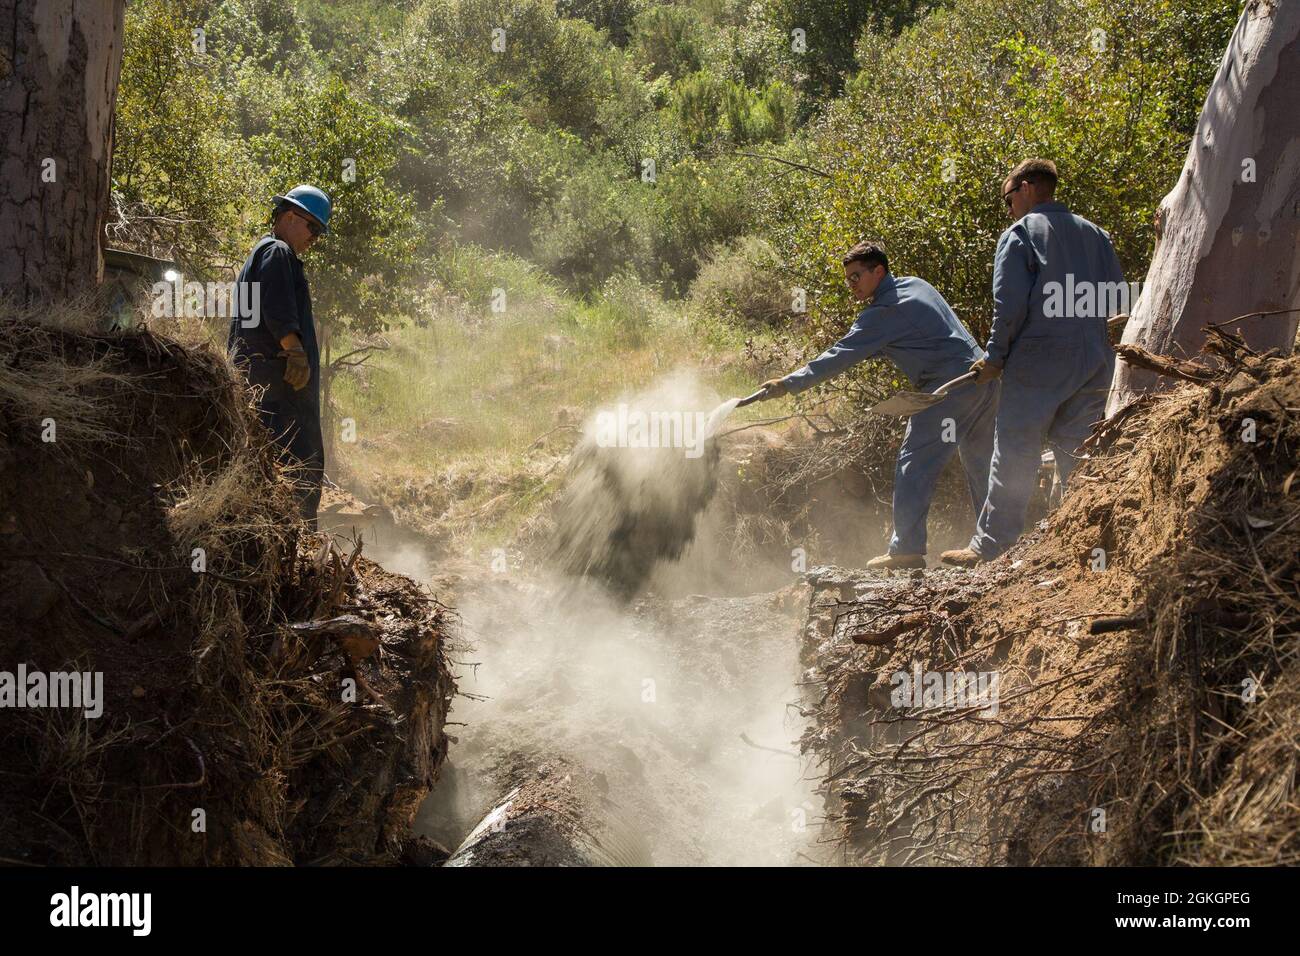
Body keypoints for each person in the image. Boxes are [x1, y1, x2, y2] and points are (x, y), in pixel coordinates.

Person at [758, 241, 998, 569]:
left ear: (879, 271)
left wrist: (787, 384)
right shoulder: (916, 284)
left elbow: (838, 356)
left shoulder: (883, 314)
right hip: (981, 377)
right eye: (848, 279)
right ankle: (994, 544)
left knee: (915, 463)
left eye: (856, 276)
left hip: (946, 388)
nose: (851, 285)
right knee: (982, 462)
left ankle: (907, 550)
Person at [941, 160, 1124, 567]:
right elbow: (1117, 302)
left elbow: (1009, 308)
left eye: (1008, 200)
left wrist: (994, 358)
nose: (1008, 210)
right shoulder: (1097, 234)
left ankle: (992, 545)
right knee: (1080, 452)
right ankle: (1084, 541)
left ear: (1025, 188)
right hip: (1096, 360)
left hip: (1039, 360)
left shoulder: (1020, 234)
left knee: (1015, 449)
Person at [228, 184, 332, 529]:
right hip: (281, 391)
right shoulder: (277, 253)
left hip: (261, 387)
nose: (314, 237)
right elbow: (277, 310)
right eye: (313, 227)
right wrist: (296, 353)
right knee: (299, 466)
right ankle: (299, 545)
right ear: (289, 216)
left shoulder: (257, 255)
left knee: (268, 470)